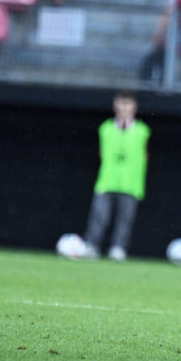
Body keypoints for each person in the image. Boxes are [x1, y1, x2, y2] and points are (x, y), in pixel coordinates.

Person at [68, 91, 150, 261]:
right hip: (107, 180)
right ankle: (92, 246)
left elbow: (145, 156)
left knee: (124, 220)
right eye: (121, 104)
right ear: (115, 106)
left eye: (128, 105)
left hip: (131, 183)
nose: (124, 108)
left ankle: (118, 248)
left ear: (134, 107)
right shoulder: (105, 128)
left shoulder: (142, 131)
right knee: (99, 216)